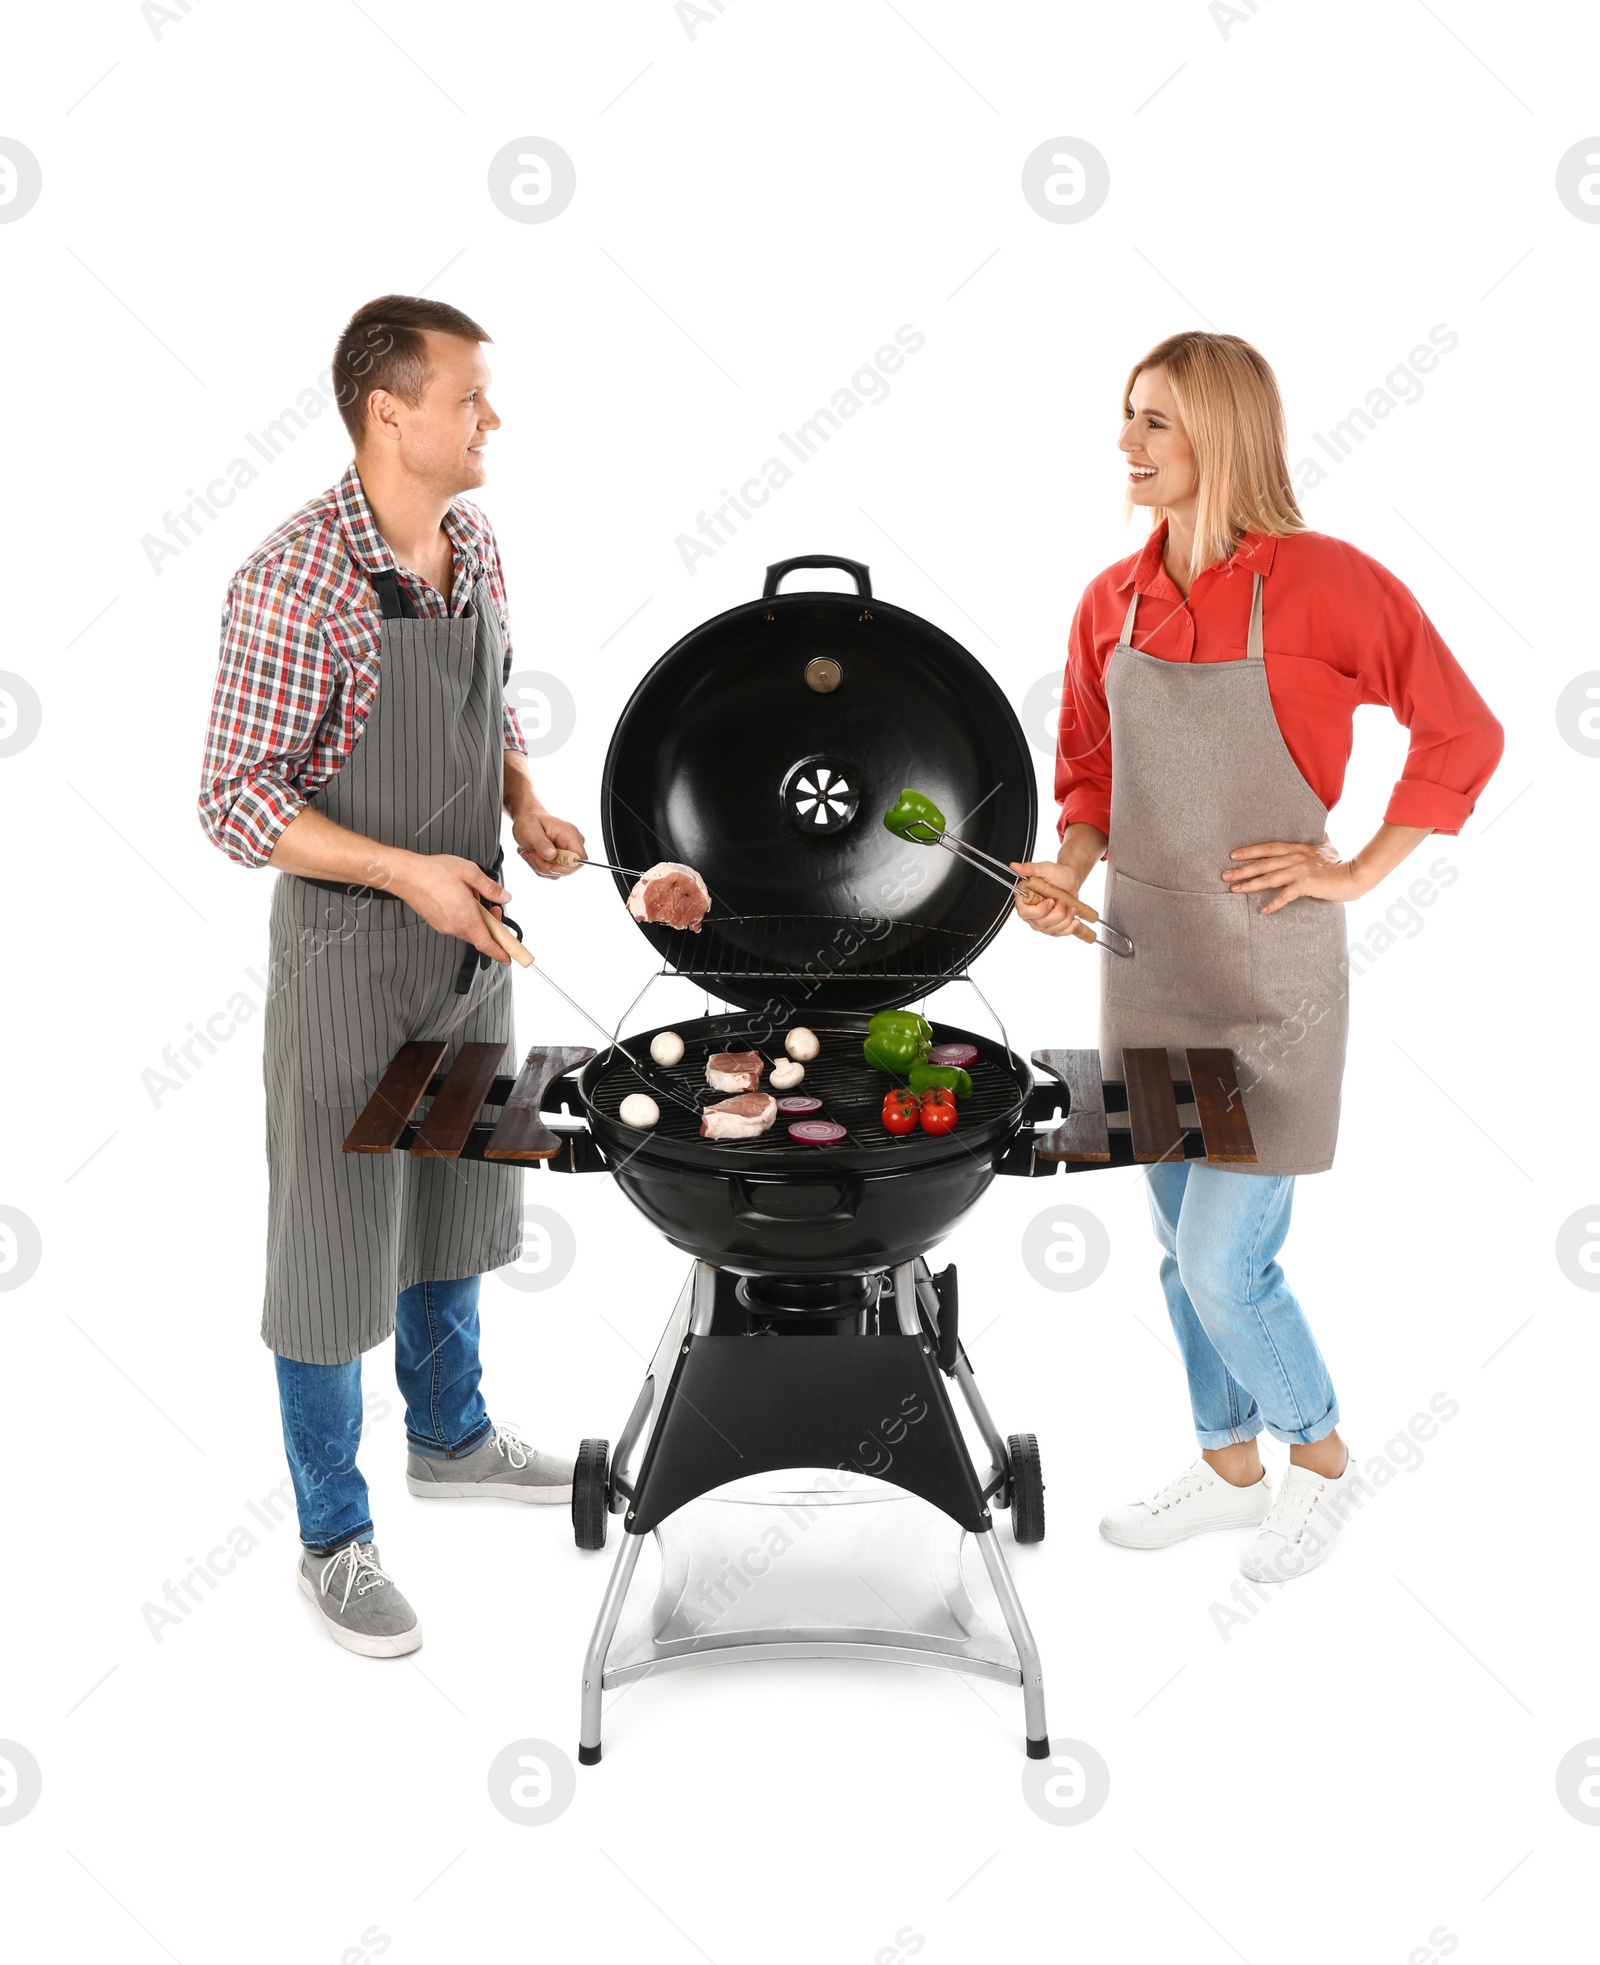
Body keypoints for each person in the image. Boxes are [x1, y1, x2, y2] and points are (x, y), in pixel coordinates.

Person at [1012, 331, 1502, 1583]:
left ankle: (1320, 1462)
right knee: (1175, 1249)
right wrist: (1066, 872)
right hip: (1143, 955)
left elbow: (1462, 730)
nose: (1126, 444)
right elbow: (1090, 772)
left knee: (1225, 1261)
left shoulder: (1326, 584)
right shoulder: (1106, 600)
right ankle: (1229, 1465)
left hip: (1272, 970)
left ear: (1221, 437)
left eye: (1155, 423)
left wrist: (1353, 870)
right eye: (1127, 415)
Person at [199, 295, 587, 1656]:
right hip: (347, 961)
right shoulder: (292, 580)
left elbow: (496, 701)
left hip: (466, 942)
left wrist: (523, 800)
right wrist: (408, 871)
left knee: (454, 1199)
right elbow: (234, 801)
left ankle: (455, 1436)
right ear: (391, 413)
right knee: (329, 1240)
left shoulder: (471, 543)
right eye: (472, 398)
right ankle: (333, 1537)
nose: (494, 420)